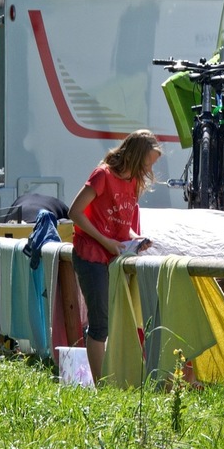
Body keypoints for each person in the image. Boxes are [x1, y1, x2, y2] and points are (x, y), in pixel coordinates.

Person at [69, 129, 161, 384]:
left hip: (112, 258)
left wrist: (135, 240)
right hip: (91, 256)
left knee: (111, 324)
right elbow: (75, 212)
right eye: (148, 162)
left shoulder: (134, 182)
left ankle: (108, 380)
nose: (149, 169)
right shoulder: (103, 175)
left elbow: (123, 226)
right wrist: (105, 241)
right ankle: (101, 387)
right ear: (136, 155)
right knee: (100, 325)